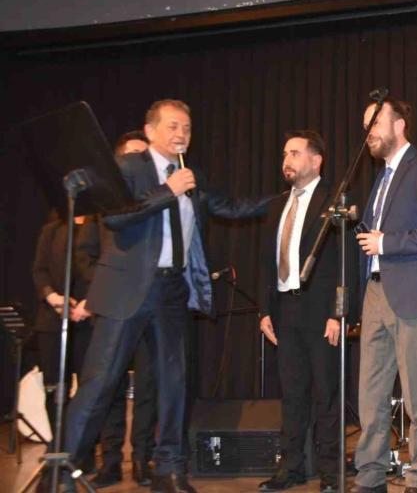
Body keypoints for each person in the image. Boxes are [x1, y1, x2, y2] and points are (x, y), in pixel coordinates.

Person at [63, 99, 275, 493]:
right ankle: (62, 468)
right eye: (173, 126)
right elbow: (115, 216)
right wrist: (166, 191)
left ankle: (169, 470)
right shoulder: (129, 167)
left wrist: (289, 200)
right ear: (150, 132)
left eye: (187, 128)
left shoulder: (190, 175)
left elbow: (230, 207)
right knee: (101, 381)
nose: (182, 134)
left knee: (174, 383)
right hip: (127, 288)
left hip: (171, 290)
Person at [353, 98, 417, 493]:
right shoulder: (381, 178)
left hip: (413, 294)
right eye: (365, 125)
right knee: (371, 394)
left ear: (399, 125)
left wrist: (387, 242)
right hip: (375, 292)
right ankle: (371, 475)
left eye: (375, 123)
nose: (369, 133)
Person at [257, 130, 354, 493]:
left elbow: (346, 261)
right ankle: (291, 468)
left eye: (295, 153)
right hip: (286, 309)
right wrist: (265, 310)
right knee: (292, 393)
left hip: (320, 311)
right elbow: (267, 261)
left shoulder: (335, 201)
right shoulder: (278, 205)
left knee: (326, 393)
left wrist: (337, 313)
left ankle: (330, 474)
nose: (287, 160)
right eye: (285, 154)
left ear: (316, 161)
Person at [76, 129, 159, 488]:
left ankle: (142, 459)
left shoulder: (157, 206)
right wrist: (107, 286)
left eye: (144, 156)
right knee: (107, 387)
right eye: (132, 157)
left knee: (148, 389)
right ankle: (109, 462)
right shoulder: (103, 208)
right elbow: (85, 256)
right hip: (114, 307)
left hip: (150, 308)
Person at [31, 212, 94, 471]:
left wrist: (89, 302)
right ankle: (59, 446)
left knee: (89, 388)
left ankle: (83, 451)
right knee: (55, 389)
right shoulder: (52, 230)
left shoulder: (102, 228)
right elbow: (40, 270)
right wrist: (53, 297)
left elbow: (105, 270)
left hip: (89, 319)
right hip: (53, 319)